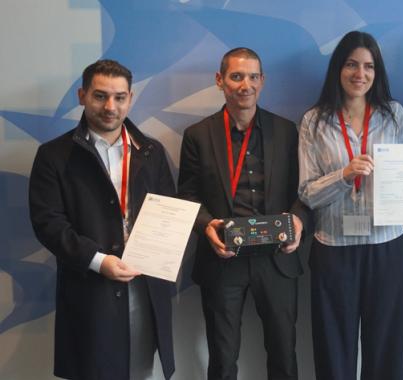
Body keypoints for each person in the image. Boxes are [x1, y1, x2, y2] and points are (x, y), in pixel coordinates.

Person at [28, 59, 176, 380]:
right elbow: (48, 224)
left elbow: (168, 211)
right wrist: (98, 261)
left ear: (130, 98)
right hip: (90, 288)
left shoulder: (151, 151)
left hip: (145, 284)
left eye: (119, 97)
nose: (111, 106)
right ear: (82, 95)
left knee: (141, 371)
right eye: (100, 96)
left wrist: (159, 253)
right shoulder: (53, 156)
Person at [177, 47, 308, 380]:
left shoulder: (286, 131)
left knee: (284, 354)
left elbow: (304, 191)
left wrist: (298, 220)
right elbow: (188, 195)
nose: (245, 85)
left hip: (277, 258)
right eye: (236, 76)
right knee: (222, 358)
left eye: (252, 77)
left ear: (262, 81)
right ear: (220, 80)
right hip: (224, 258)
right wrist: (206, 226)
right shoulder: (197, 136)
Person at [298, 31, 403, 380]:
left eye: (368, 66)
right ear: (338, 68)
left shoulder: (394, 115)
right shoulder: (314, 121)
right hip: (334, 250)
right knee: (334, 351)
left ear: (377, 72)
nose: (359, 74)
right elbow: (306, 192)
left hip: (388, 247)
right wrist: (344, 175)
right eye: (351, 64)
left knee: (388, 350)